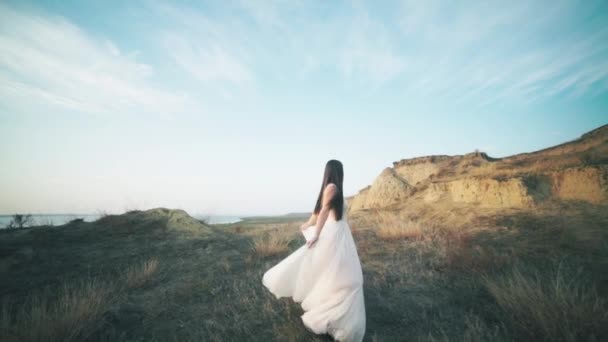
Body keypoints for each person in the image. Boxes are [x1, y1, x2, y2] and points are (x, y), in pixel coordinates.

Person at [262, 159, 366, 342]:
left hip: (341, 234)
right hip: (334, 234)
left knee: (341, 274)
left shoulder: (333, 189)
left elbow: (318, 212)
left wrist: (309, 224)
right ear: (337, 171)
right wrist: (315, 232)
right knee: (340, 274)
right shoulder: (332, 188)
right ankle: (331, 309)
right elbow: (323, 211)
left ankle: (333, 305)